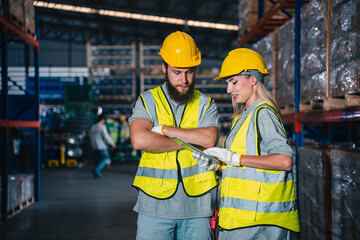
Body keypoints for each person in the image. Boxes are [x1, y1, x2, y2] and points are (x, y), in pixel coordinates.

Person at [192, 48, 300, 239]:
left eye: (233, 82)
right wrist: (218, 165)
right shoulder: (244, 116)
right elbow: (248, 168)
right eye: (228, 83)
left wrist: (236, 158)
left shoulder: (263, 113)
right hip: (241, 219)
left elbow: (284, 161)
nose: (228, 89)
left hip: (259, 223)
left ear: (253, 79)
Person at [129, 31, 221, 240]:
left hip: (198, 207)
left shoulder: (206, 104)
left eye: (189, 72)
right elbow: (139, 140)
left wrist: (166, 131)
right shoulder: (147, 101)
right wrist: (190, 141)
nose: (184, 80)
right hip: (154, 206)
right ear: (164, 68)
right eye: (177, 72)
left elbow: (208, 139)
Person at [89, 113, 116, 179]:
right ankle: (96, 169)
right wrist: (112, 143)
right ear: (102, 120)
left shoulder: (93, 127)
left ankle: (96, 174)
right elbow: (106, 137)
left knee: (97, 160)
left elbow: (90, 136)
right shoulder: (102, 127)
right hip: (101, 146)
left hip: (94, 146)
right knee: (105, 158)